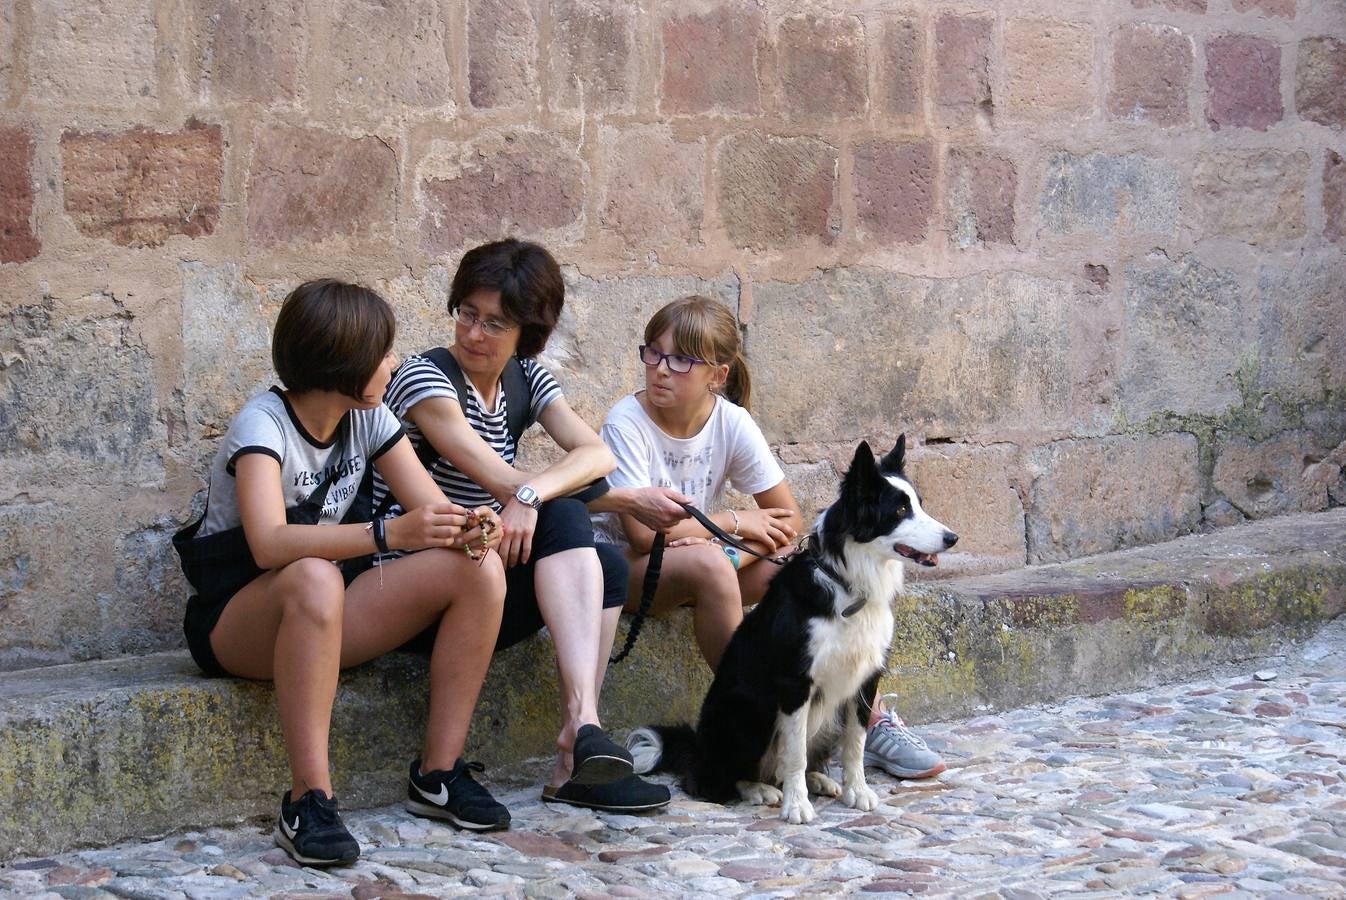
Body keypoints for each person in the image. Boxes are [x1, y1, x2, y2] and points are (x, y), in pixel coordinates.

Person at [175, 280, 508, 867]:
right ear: (343, 361)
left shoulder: (369, 418)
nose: (394, 363)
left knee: (479, 570)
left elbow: (429, 511)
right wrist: (385, 535)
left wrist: (471, 526)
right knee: (313, 575)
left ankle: (438, 774)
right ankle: (308, 799)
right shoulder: (263, 427)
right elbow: (267, 543)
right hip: (239, 624)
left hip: (327, 613)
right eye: (384, 353)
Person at [593, 295, 945, 780]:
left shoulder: (730, 421)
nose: (659, 370)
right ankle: (759, 716)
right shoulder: (626, 423)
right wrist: (734, 525)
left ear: (717, 375)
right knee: (715, 563)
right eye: (652, 352)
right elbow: (642, 534)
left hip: (703, 565)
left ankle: (868, 716)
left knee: (809, 571)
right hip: (631, 572)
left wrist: (724, 539)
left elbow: (787, 520)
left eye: (679, 360)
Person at [373, 239, 671, 813]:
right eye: (468, 314)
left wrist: (534, 492)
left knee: (605, 562)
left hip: (481, 574)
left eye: (495, 324)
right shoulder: (422, 378)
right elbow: (492, 473)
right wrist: (534, 493)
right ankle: (582, 734)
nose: (473, 334)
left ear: (526, 335)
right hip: (409, 587)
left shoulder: (527, 378)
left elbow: (595, 455)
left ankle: (574, 749)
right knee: (562, 511)